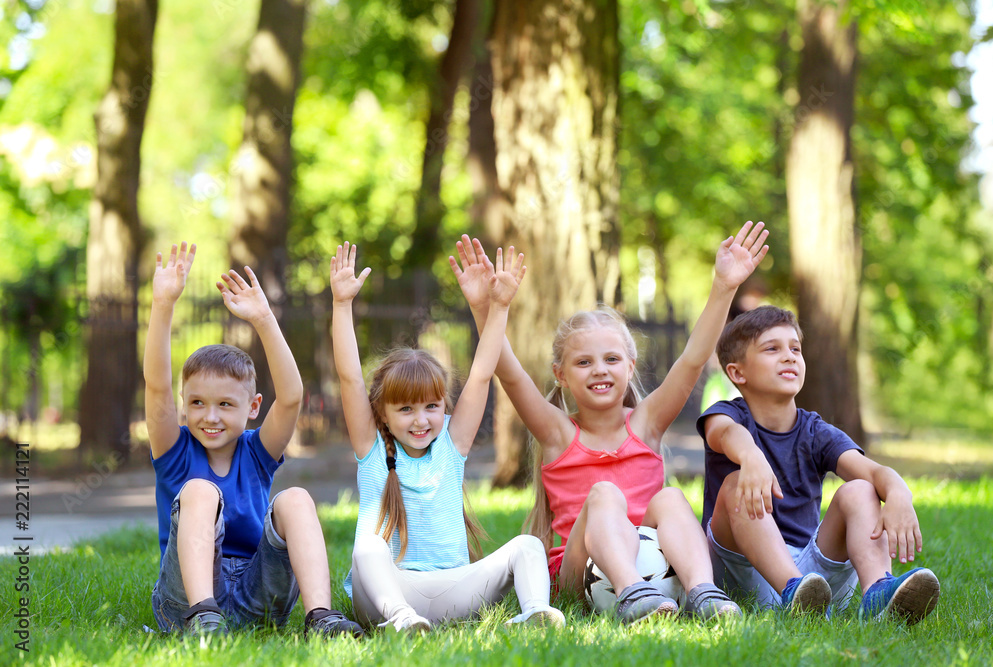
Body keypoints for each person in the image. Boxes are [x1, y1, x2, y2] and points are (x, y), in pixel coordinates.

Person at [450, 222, 769, 624]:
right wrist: (486, 309)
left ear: (630, 366)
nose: (599, 370)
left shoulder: (647, 424)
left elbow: (691, 358)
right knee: (604, 494)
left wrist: (724, 286)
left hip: (656, 565)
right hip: (578, 576)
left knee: (670, 498)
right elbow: (509, 372)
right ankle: (631, 591)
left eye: (611, 359)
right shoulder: (557, 433)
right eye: (583, 362)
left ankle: (704, 592)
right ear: (560, 374)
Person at [330, 242, 564, 633]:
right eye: (405, 409)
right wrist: (341, 304)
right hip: (387, 597)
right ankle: (404, 621)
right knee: (368, 545)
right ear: (382, 414)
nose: (421, 421)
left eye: (431, 407)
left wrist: (498, 306)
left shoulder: (451, 446)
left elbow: (481, 374)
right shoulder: (371, 449)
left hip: (455, 590)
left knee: (528, 546)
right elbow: (350, 377)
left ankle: (535, 612)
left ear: (444, 406)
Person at [145, 242, 361, 637]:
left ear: (253, 407)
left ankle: (322, 618)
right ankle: (202, 617)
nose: (210, 416)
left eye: (225, 404)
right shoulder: (174, 452)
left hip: (256, 597)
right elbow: (156, 387)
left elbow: (292, 396)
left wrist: (263, 318)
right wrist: (162, 305)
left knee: (295, 498)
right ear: (184, 405)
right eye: (197, 403)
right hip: (184, 603)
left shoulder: (257, 453)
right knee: (200, 491)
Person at [698, 305, 940, 623]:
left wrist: (897, 492)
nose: (789, 356)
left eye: (795, 349)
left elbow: (872, 471)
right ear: (737, 373)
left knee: (861, 490)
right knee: (734, 484)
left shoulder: (815, 430)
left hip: (816, 581)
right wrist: (750, 456)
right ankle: (792, 590)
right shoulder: (726, 414)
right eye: (772, 348)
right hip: (744, 571)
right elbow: (726, 434)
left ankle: (877, 594)